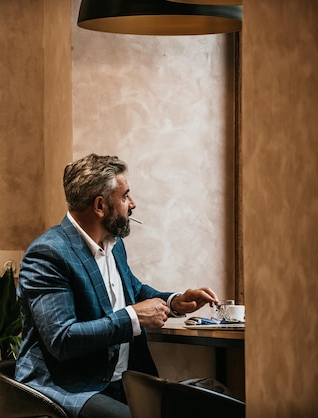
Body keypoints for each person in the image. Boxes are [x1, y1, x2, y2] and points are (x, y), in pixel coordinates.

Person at [14, 154, 218, 418]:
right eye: (125, 196)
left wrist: (174, 302)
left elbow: (133, 291)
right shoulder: (48, 253)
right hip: (69, 386)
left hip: (122, 381)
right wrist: (134, 316)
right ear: (100, 206)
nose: (133, 204)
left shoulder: (114, 244)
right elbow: (62, 340)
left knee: (208, 401)